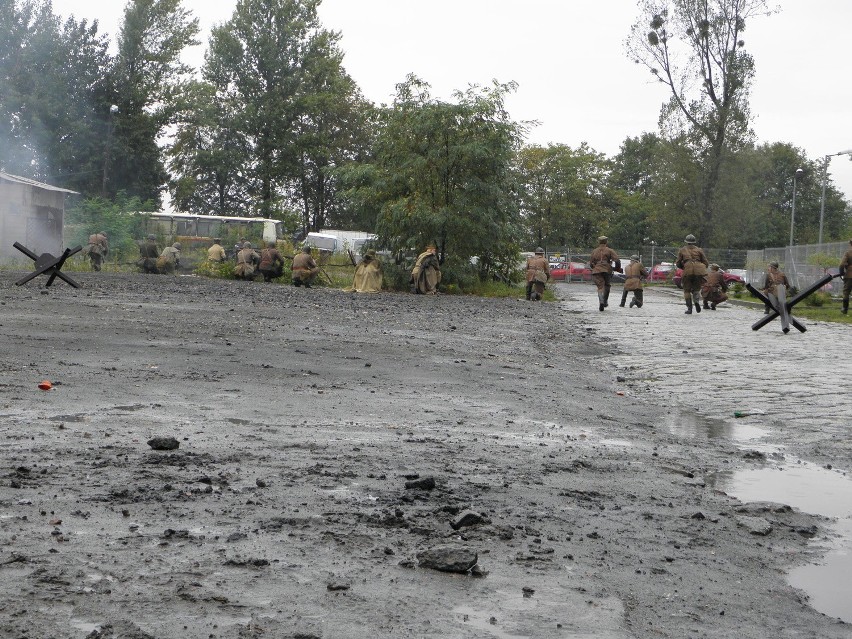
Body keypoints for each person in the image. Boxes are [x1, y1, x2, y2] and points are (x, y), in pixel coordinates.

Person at [675, 234, 709, 314]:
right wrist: (702, 268)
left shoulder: (682, 250)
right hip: (699, 271)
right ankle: (696, 301)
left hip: (687, 270)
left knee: (686, 290)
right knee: (696, 289)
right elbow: (705, 262)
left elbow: (678, 263)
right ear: (694, 242)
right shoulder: (699, 250)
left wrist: (684, 267)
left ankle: (689, 308)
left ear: (686, 242)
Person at [589, 236, 621, 311]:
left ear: (599, 242)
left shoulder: (594, 251)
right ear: (606, 242)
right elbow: (617, 260)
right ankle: (605, 300)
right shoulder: (610, 250)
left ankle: (601, 301)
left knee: (600, 287)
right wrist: (617, 268)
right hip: (607, 270)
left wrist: (594, 267)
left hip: (596, 270)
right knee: (607, 285)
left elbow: (591, 263)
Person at [840, 239, 852, 314]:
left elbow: (842, 264)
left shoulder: (848, 253)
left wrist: (841, 273)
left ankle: (845, 308)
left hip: (849, 274)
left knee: (846, 292)